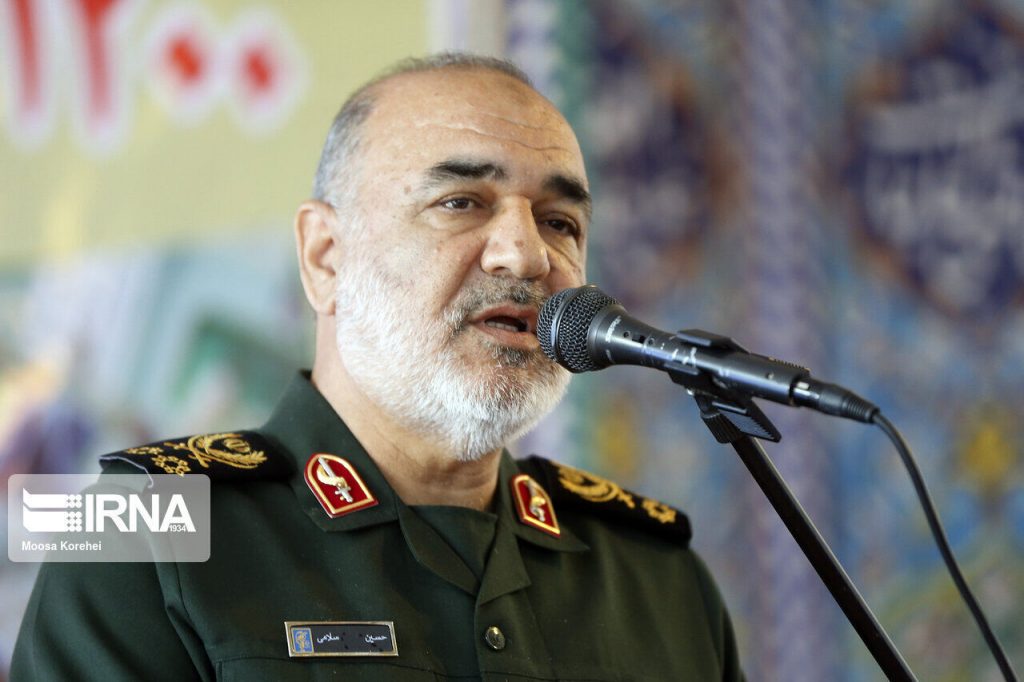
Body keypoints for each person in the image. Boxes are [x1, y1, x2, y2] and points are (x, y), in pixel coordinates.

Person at [12, 53, 743, 681]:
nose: (525, 255)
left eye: (559, 222)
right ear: (325, 257)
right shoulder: (137, 527)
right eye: (461, 202)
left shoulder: (657, 577)